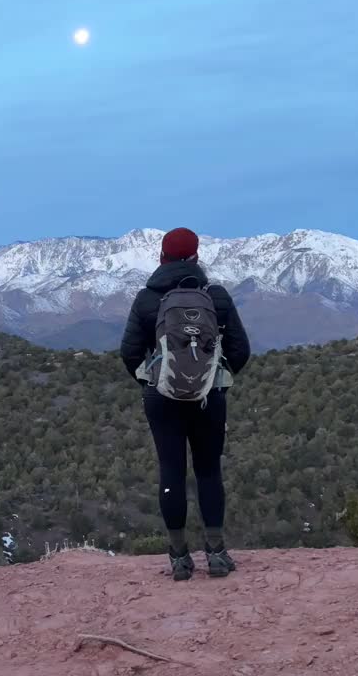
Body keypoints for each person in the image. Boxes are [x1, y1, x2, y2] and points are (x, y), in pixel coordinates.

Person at [119, 227, 250, 580]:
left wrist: (154, 381)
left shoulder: (147, 299)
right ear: (196, 256)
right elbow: (240, 350)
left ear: (161, 257)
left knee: (171, 470)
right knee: (208, 471)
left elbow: (129, 352)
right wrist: (212, 380)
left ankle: (179, 557)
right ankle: (217, 553)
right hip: (210, 398)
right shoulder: (216, 296)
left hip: (161, 399)